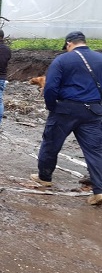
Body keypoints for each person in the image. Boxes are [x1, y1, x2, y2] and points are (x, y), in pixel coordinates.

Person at [31, 31, 102, 205]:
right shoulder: (99, 58)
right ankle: (99, 190)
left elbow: (51, 87)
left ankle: (44, 177)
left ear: (69, 43)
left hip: (65, 109)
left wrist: (51, 106)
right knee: (95, 151)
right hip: (93, 110)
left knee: (51, 143)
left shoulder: (62, 60)